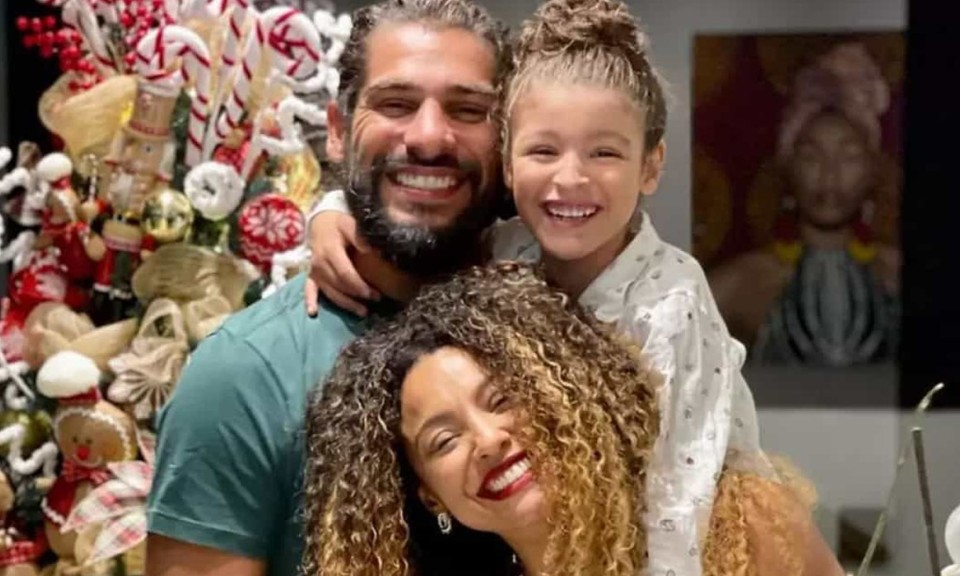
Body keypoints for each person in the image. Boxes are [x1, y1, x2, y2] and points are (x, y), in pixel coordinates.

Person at [306, 0, 768, 573]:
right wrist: (328, 211)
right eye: (543, 151)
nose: (570, 178)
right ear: (507, 163)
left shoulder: (670, 301)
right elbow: (410, 226)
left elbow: (678, 504)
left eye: (604, 152)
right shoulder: (507, 251)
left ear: (651, 167)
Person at [144, 1, 511, 574]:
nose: (429, 137)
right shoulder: (244, 377)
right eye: (396, 104)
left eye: (468, 110)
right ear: (337, 132)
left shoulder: (556, 321)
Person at [304, 261, 845, 576]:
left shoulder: (738, 524)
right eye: (444, 441)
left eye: (501, 400)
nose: (488, 440)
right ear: (430, 496)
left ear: (558, 395)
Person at [706, 42, 900, 366]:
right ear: (788, 166)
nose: (829, 174)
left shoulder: (895, 275)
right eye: (811, 156)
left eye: (849, 156)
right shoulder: (739, 283)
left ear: (872, 170)